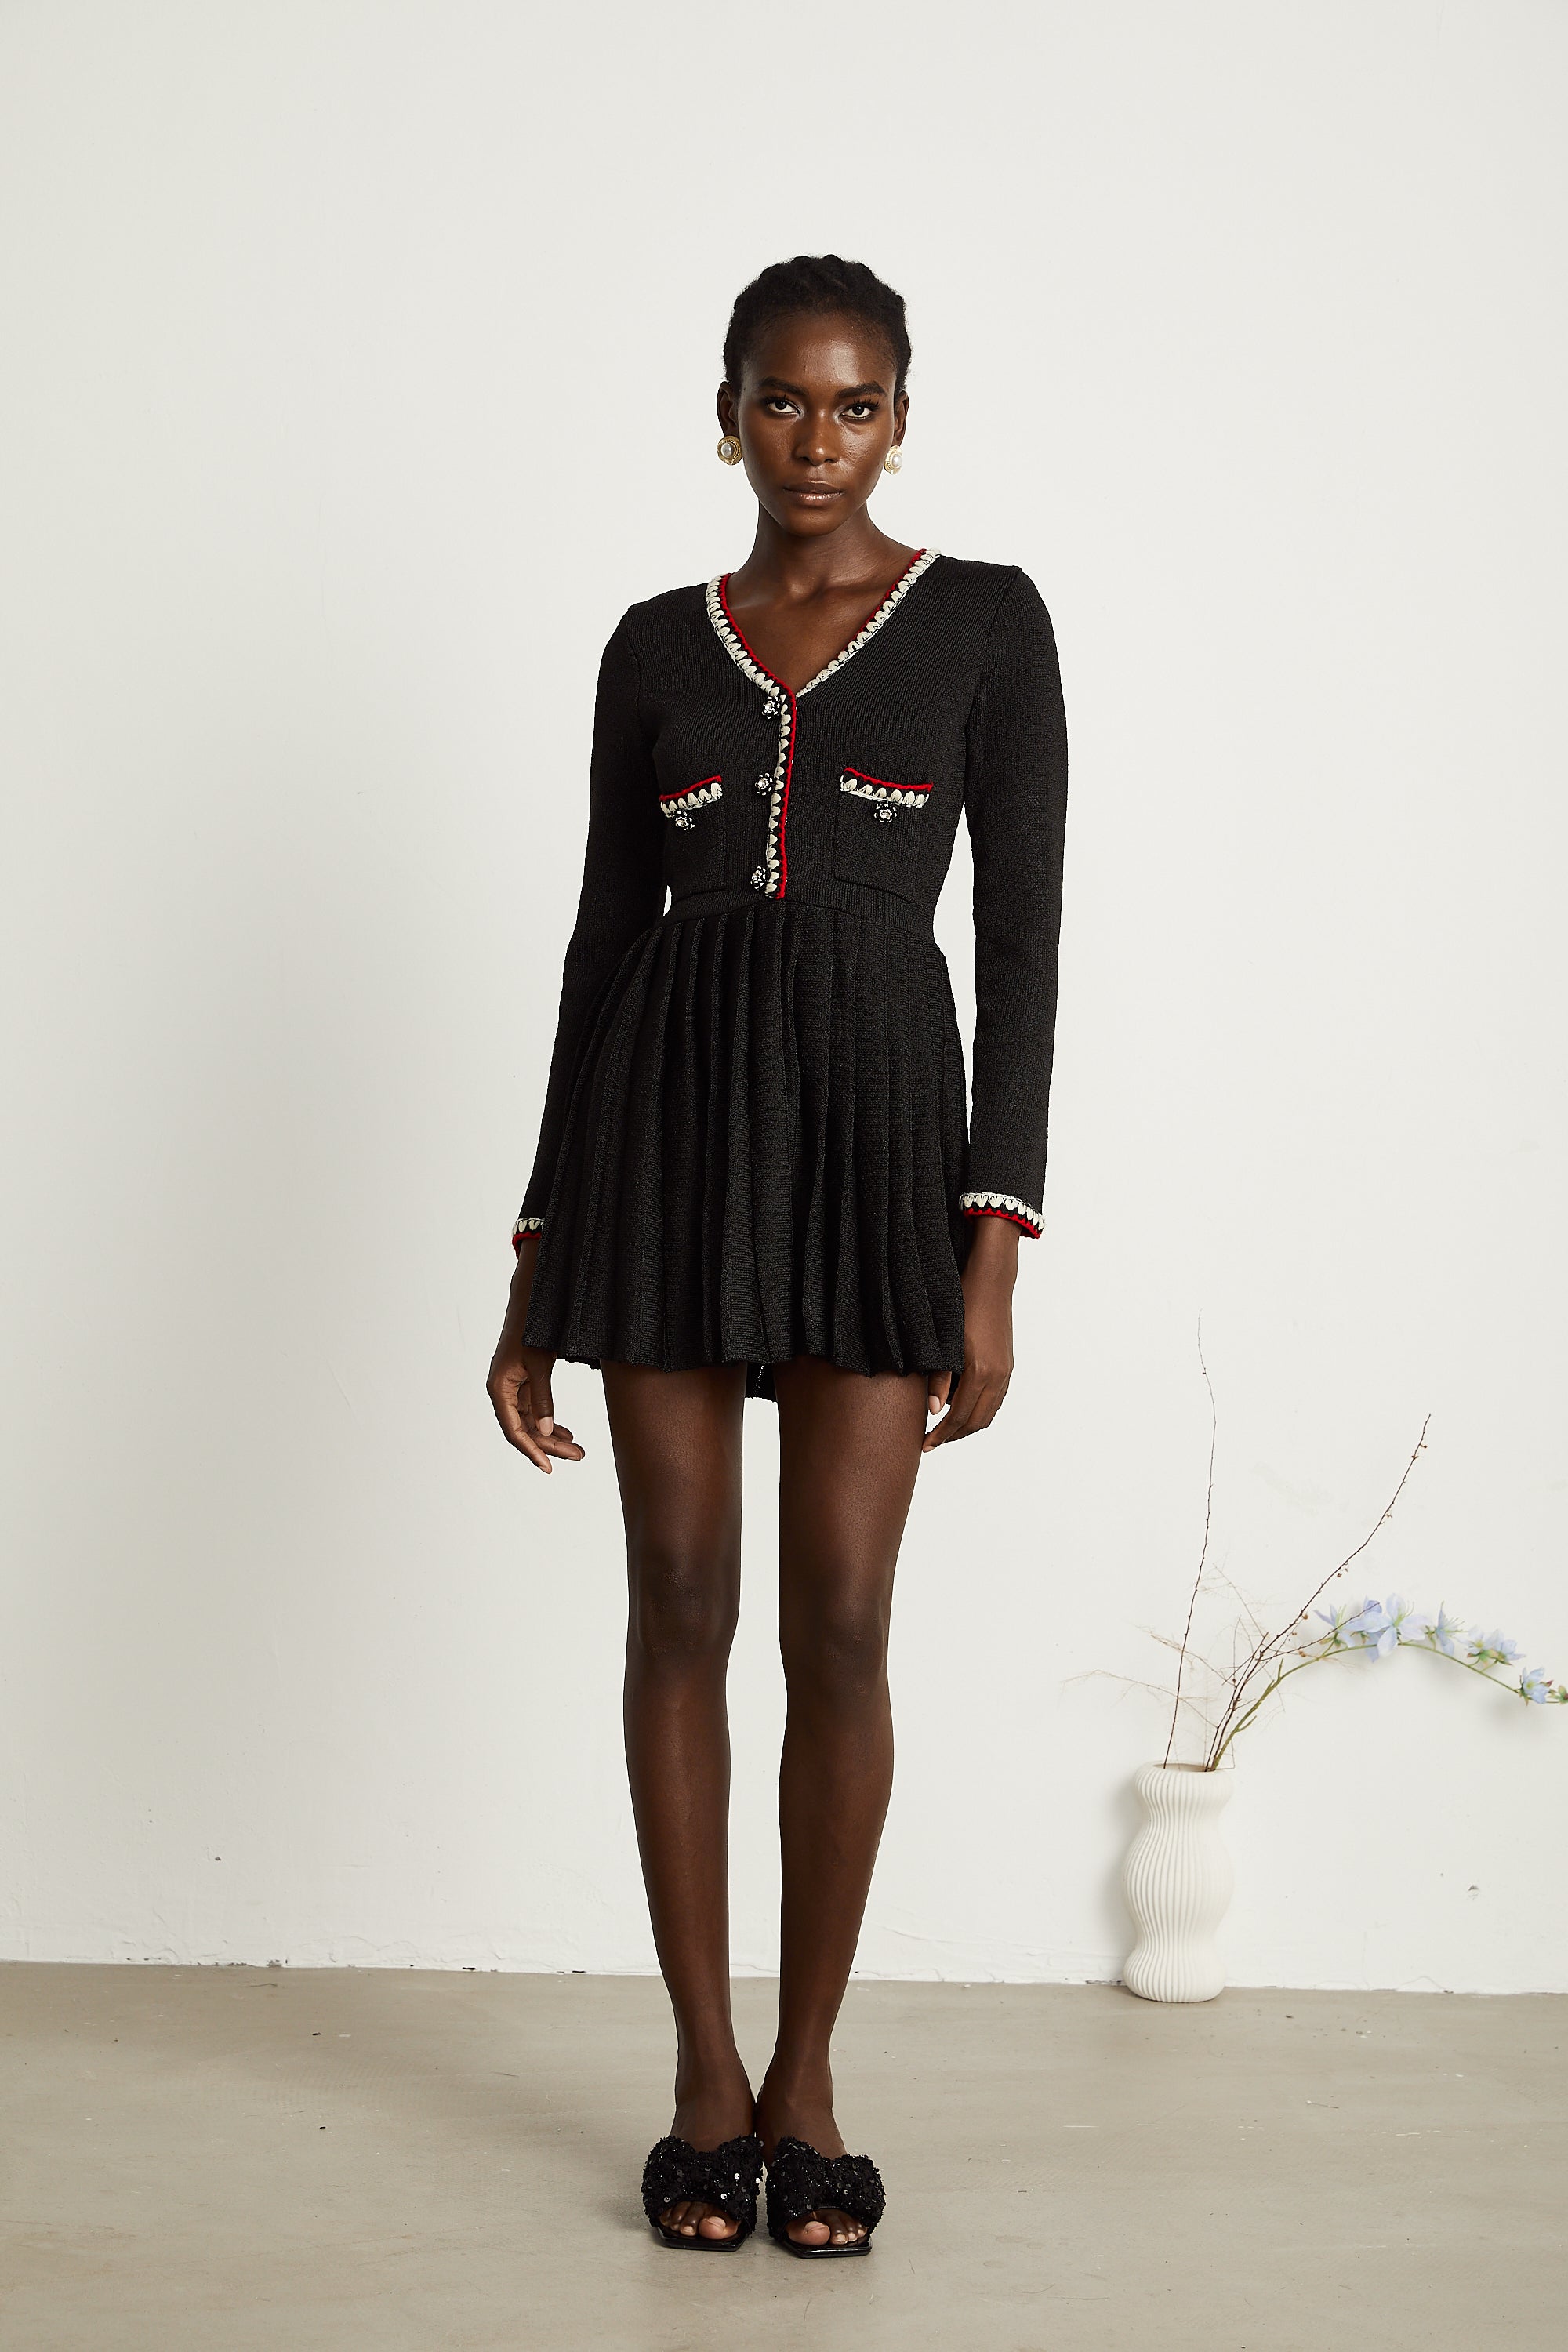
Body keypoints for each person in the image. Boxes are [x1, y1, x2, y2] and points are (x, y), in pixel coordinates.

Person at [487, 254, 1069, 2258]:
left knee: (839, 1617)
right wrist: (537, 1260)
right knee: (677, 1602)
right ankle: (701, 2080)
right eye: (781, 401)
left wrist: (994, 1242)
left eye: (854, 403)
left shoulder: (986, 623)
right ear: (725, 411)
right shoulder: (654, 643)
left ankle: (807, 2079)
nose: (816, 439)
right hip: (660, 1144)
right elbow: (599, 944)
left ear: (901, 416)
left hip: (879, 1149)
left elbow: (1021, 948)